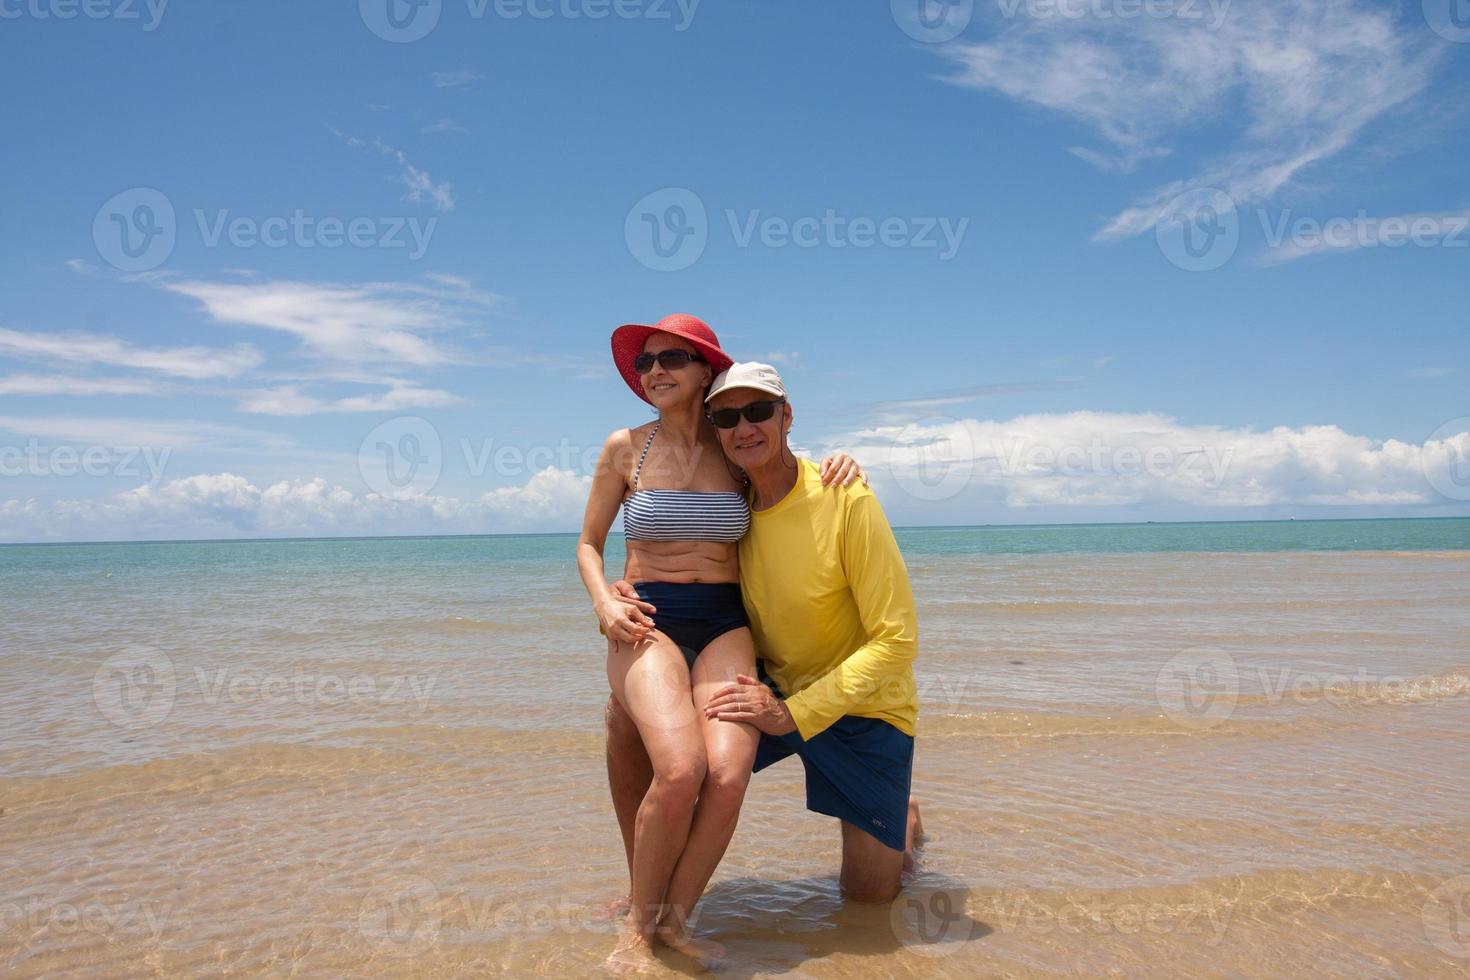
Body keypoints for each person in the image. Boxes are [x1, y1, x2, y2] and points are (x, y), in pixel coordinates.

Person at [576, 317, 864, 970]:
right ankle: (637, 930)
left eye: (672, 358)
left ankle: (673, 920)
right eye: (646, 361)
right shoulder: (626, 448)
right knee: (681, 770)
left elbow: (792, 477)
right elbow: (588, 543)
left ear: (706, 371)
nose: (655, 370)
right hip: (647, 620)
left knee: (730, 773)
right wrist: (602, 599)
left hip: (726, 622)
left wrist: (844, 465)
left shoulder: (733, 443)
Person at [606, 360, 924, 921]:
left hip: (861, 709)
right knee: (644, 732)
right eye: (727, 417)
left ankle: (904, 818)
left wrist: (793, 714)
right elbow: (671, 531)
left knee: (870, 899)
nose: (743, 428)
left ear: (787, 416)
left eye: (758, 412)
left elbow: (897, 641)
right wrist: (621, 591)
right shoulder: (736, 504)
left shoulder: (844, 496)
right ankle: (646, 897)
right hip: (769, 687)